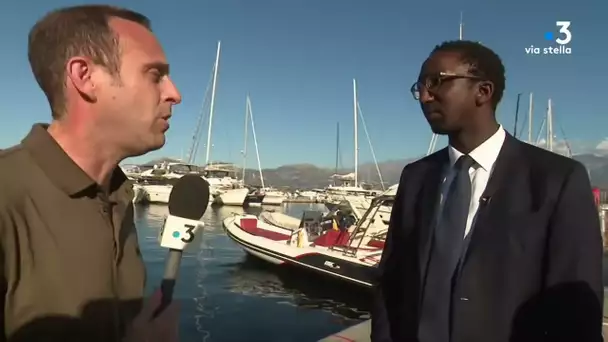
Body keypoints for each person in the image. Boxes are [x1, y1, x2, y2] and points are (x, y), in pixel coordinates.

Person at [371, 40, 603, 342]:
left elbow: (576, 313)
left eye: (436, 82)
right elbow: (392, 280)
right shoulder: (415, 177)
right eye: (420, 86)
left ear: (483, 91)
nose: (425, 96)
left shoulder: (557, 180)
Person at [0, 5, 181, 342]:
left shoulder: (119, 195)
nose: (174, 93)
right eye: (155, 74)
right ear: (85, 77)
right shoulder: (6, 194)